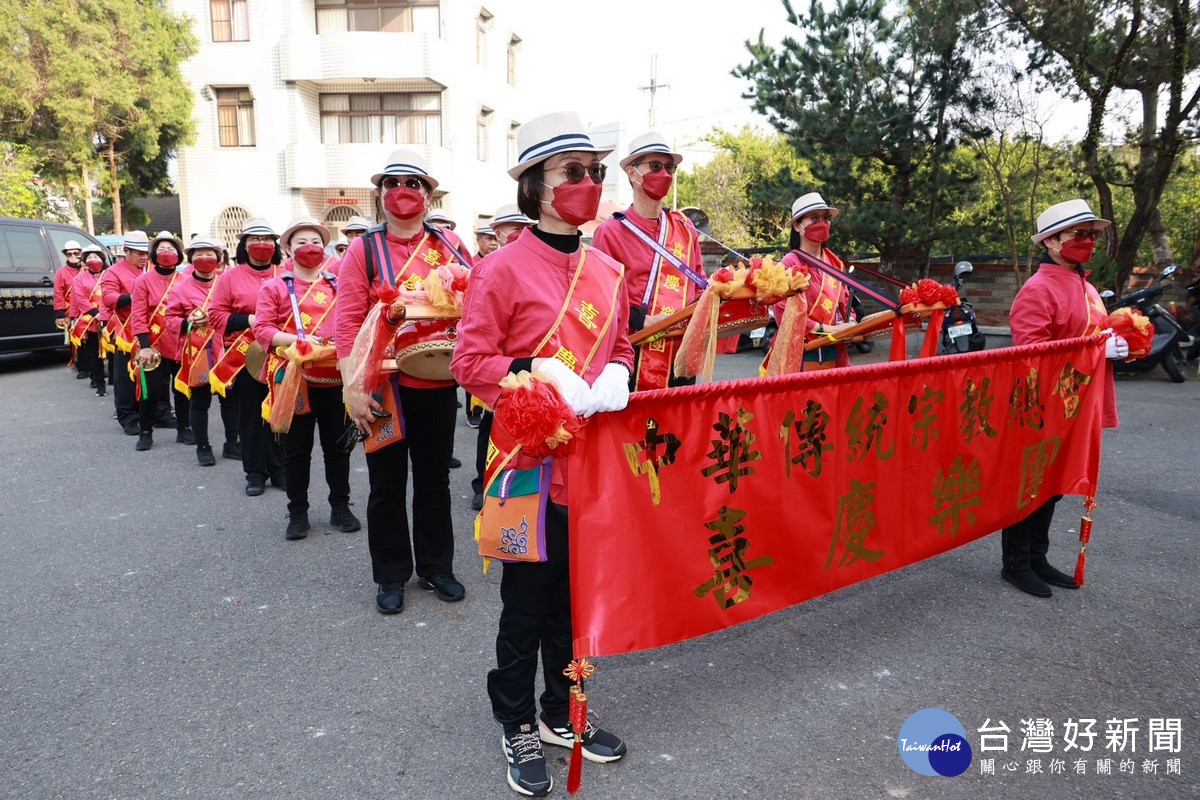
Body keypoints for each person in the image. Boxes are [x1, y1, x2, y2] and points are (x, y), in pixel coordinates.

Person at [451, 111, 631, 797]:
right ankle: (516, 722)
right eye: (572, 173)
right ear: (533, 186)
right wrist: (535, 368)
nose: (587, 184)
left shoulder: (609, 270)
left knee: (575, 599)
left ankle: (562, 712)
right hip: (523, 468)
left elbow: (618, 346)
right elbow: (470, 362)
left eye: (593, 173)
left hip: (589, 464)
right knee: (527, 602)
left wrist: (618, 373)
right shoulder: (498, 269)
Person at [336, 149, 473, 614]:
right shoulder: (365, 248)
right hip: (383, 385)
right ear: (380, 195)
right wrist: (351, 386)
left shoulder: (451, 245)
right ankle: (390, 575)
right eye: (393, 182)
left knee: (434, 480)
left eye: (414, 183)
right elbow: (349, 318)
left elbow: (477, 304)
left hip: (436, 379)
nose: (403, 191)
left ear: (429, 194)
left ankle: (437, 568)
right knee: (386, 483)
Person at [1003, 198, 1126, 598]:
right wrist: (1094, 351)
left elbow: (1092, 335)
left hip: (1076, 403)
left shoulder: (1085, 285)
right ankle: (1016, 563)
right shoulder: (1037, 289)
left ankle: (1038, 556)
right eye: (1079, 234)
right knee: (1031, 484)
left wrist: (1118, 344)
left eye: (1091, 234)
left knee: (1054, 483)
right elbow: (1030, 354)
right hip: (1041, 405)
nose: (1088, 241)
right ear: (1052, 242)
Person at [253, 216, 360, 540]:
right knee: (297, 450)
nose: (309, 248)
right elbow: (262, 329)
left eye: (315, 242)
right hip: (294, 379)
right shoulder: (274, 286)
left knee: (337, 448)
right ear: (287, 248)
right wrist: (294, 341)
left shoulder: (337, 284)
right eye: (301, 242)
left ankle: (340, 506)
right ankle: (297, 511)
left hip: (332, 378)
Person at [592, 131, 706, 390]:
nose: (664, 174)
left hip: (681, 354)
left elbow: (699, 286)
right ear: (632, 173)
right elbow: (599, 298)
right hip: (633, 353)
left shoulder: (684, 228)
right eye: (655, 166)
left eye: (669, 168)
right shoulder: (610, 232)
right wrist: (639, 319)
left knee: (680, 427)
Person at [208, 218, 286, 496]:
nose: (261, 244)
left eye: (267, 239)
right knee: (251, 415)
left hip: (280, 353)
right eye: (254, 239)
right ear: (243, 245)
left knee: (279, 411)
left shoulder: (285, 272)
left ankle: (279, 468)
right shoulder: (229, 277)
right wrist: (249, 319)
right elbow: (215, 316)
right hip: (243, 356)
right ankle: (254, 471)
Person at [166, 237, 240, 467]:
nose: (204, 259)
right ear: (191, 259)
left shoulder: (226, 283)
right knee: (200, 402)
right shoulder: (181, 288)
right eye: (198, 254)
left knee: (229, 401)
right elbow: (169, 320)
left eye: (210, 254)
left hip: (224, 350)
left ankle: (231, 443)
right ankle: (203, 447)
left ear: (219, 259)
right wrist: (187, 322)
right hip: (196, 352)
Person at [130, 231, 193, 451]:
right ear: (153, 254)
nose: (167, 253)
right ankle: (145, 431)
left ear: (179, 255)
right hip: (153, 346)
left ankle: (184, 428)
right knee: (152, 391)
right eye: (162, 249)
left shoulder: (186, 280)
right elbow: (138, 315)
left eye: (172, 249)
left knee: (182, 388)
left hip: (180, 343)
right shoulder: (143, 281)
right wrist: (145, 346)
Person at [776, 192, 853, 370]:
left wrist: (851, 323)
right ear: (797, 226)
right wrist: (826, 329)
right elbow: (785, 315)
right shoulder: (789, 264)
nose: (822, 224)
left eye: (826, 218)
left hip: (835, 352)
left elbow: (846, 302)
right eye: (814, 218)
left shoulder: (835, 263)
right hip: (801, 354)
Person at [102, 231, 159, 434]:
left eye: (146, 253)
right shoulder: (113, 272)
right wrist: (136, 296)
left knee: (155, 374)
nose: (144, 257)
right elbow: (109, 299)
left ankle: (157, 413)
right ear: (125, 251)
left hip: (152, 329)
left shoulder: (153, 270)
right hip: (127, 330)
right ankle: (127, 416)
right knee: (126, 377)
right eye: (138, 253)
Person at [69, 244, 109, 396]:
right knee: (94, 353)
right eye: (90, 257)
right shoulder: (79, 278)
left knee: (114, 354)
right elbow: (80, 298)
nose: (93, 260)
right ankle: (99, 382)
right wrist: (96, 313)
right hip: (91, 321)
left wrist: (104, 314)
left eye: (96, 256)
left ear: (102, 259)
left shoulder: (109, 274)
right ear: (85, 261)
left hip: (110, 321)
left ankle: (115, 380)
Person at [53, 240, 89, 379]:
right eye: (69, 254)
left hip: (90, 310)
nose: (73, 256)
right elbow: (58, 293)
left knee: (93, 341)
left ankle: (95, 367)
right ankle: (82, 368)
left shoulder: (88, 269)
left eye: (76, 253)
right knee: (77, 341)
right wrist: (60, 313)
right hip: (72, 312)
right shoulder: (61, 273)